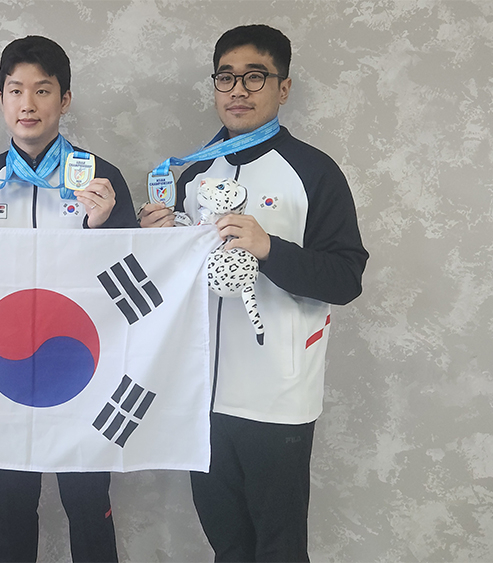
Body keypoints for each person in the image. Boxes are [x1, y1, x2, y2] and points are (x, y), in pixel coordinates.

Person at [139, 24, 368, 562]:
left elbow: (346, 277)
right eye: (226, 77)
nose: (237, 90)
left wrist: (269, 248)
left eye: (254, 77)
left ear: (283, 88)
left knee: (279, 548)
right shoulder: (191, 174)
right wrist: (156, 244)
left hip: (277, 395)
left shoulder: (314, 171)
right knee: (228, 545)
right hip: (201, 396)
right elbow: (168, 287)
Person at [0, 35, 137, 562]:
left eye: (42, 91)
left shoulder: (102, 179)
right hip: (3, 369)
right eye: (16, 90)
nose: (28, 103)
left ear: (64, 100)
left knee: (88, 503)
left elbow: (132, 283)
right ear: (1, 99)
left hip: (82, 370)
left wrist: (104, 227)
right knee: (13, 506)